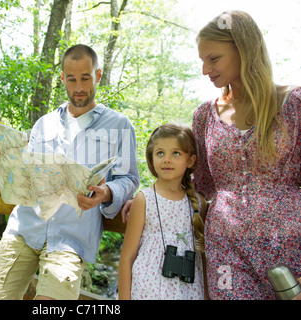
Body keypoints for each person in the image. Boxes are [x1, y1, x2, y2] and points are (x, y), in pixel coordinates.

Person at [0, 44, 140, 300]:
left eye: (85, 78)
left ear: (98, 76)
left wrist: (107, 192)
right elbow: (24, 171)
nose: (78, 87)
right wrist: (1, 158)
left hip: (71, 239)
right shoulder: (44, 123)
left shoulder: (120, 125)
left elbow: (130, 179)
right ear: (62, 79)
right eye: (72, 79)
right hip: (24, 227)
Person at [194, 10, 301, 299]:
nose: (205, 69)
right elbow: (200, 185)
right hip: (226, 252)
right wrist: (149, 201)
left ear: (244, 50)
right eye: (202, 60)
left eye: (213, 58)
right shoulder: (205, 115)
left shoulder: (294, 105)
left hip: (291, 251)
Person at [118, 123, 207, 300]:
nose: (167, 159)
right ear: (151, 159)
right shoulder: (144, 199)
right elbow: (127, 258)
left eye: (176, 153)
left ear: (190, 160)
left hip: (188, 291)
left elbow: (203, 257)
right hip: (147, 290)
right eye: (160, 153)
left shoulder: (198, 203)